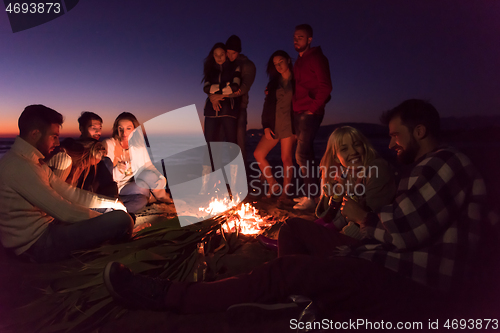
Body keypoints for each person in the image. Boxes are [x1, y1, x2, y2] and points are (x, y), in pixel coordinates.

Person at [103, 99, 487, 317]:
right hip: (376, 255)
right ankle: (297, 302)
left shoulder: (445, 163)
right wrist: (336, 204)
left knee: (284, 270)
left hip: (404, 280)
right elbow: (335, 219)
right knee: (293, 229)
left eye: (396, 136)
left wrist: (363, 217)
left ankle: (169, 296)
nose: (392, 144)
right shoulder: (425, 168)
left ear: (420, 131)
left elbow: (401, 233)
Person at [0, 105, 133, 263]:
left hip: (50, 227)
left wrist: (111, 203)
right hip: (37, 244)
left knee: (116, 213)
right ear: (35, 134)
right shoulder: (19, 166)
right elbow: (64, 211)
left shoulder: (34, 161)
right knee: (121, 220)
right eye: (53, 136)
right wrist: (105, 218)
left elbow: (69, 193)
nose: (57, 142)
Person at [314, 126, 396, 238]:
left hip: (368, 239)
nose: (353, 152)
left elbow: (373, 220)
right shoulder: (347, 174)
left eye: (357, 144)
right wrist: (331, 197)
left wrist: (339, 237)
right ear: (337, 158)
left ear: (364, 146)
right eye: (344, 149)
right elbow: (327, 218)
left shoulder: (377, 169)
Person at [292, 24, 333, 210]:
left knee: (301, 154)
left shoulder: (317, 57)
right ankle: (313, 196)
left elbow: (326, 86)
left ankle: (311, 198)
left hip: (310, 112)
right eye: (295, 37)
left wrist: (313, 108)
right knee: (307, 154)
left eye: (300, 37)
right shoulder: (299, 61)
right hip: (299, 111)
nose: (296, 40)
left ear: (309, 39)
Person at [103, 112, 173, 213]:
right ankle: (113, 212)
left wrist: (161, 178)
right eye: (120, 129)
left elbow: (148, 166)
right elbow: (105, 178)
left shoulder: (137, 146)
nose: (124, 133)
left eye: (128, 128)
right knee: (143, 194)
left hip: (129, 185)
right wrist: (118, 169)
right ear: (116, 129)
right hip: (114, 188)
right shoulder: (109, 144)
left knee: (149, 176)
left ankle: (163, 198)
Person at [253, 50, 295, 200]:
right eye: (275, 64)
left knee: (286, 159)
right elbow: (267, 106)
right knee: (258, 154)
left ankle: (285, 192)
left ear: (288, 60)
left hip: (290, 125)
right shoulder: (272, 84)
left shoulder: (298, 80)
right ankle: (273, 183)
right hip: (274, 125)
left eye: (281, 62)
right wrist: (266, 126)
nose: (278, 66)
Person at [200, 42, 241, 194]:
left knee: (232, 145)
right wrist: (219, 92)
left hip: (228, 110)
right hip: (211, 111)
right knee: (209, 147)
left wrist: (216, 95)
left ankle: (235, 185)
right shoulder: (210, 71)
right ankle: (206, 185)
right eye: (216, 55)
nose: (219, 57)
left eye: (221, 54)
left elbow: (235, 86)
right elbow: (206, 88)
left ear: (226, 54)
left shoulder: (234, 67)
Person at [46, 111, 117, 197]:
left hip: (91, 195)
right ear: (82, 128)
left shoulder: (99, 156)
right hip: (71, 195)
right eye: (93, 128)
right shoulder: (68, 149)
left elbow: (108, 184)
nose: (97, 132)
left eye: (100, 128)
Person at [210, 35, 256, 166]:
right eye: (227, 53)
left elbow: (243, 87)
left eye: (233, 53)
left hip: (239, 109)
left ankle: (240, 181)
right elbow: (213, 84)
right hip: (221, 108)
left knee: (238, 146)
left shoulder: (247, 65)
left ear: (239, 51)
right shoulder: (223, 65)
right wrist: (213, 98)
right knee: (216, 143)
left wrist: (220, 96)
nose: (229, 56)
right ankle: (217, 179)